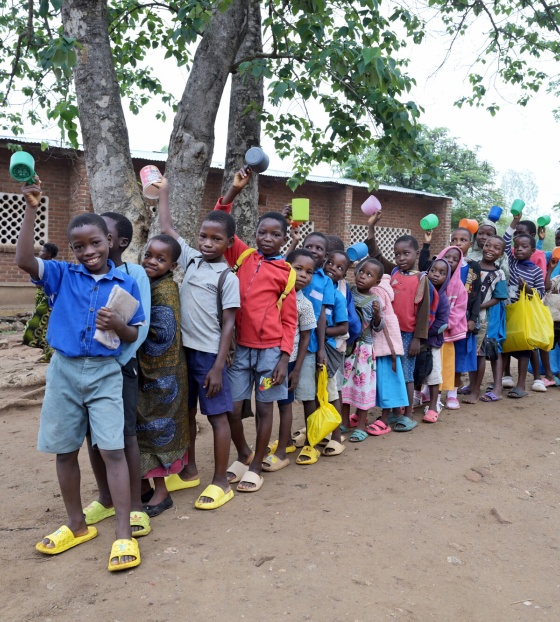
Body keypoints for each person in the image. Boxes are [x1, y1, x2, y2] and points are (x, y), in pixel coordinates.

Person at [16, 178, 145, 572]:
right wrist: (33, 208)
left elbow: (133, 333)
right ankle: (77, 524)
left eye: (95, 243)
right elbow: (23, 260)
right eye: (79, 246)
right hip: (65, 371)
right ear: (72, 248)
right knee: (65, 449)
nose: (88, 251)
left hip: (106, 372)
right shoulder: (62, 275)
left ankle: (123, 532)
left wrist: (118, 324)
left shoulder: (126, 283)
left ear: (110, 241)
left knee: (112, 450)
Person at [156, 177, 240, 510]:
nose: (207, 243)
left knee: (218, 417)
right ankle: (189, 470)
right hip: (183, 353)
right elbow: (167, 227)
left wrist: (218, 366)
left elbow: (230, 323)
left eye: (215, 238)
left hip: (209, 357)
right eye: (203, 236)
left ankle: (221, 481)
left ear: (228, 242)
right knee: (187, 412)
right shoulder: (190, 258)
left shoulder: (227, 277)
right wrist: (164, 190)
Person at [215, 170, 298, 493]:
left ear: (284, 239)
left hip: (270, 354)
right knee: (233, 408)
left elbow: (290, 320)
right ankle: (244, 452)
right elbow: (220, 220)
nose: (266, 238)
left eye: (274, 234)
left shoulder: (287, 272)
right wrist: (234, 191)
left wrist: (284, 359)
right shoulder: (243, 255)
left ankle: (256, 464)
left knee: (265, 407)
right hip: (240, 350)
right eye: (262, 232)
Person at [83, 212, 152, 538]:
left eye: (104, 235)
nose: (98, 239)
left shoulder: (134, 273)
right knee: (94, 438)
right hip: (85, 370)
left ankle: (136, 503)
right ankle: (106, 497)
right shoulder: (82, 273)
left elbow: (140, 326)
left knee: (125, 437)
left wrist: (115, 361)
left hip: (120, 367)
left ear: (120, 242)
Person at [137, 234, 189, 516]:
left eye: (160, 259)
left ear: (172, 265)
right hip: (147, 372)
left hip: (163, 376)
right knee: (141, 429)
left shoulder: (166, 289)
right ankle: (144, 486)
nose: (152, 262)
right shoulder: (148, 283)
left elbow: (163, 332)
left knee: (158, 430)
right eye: (149, 255)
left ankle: (162, 492)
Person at [366, 213, 431, 431]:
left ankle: (408, 414)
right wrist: (371, 228)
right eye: (397, 254)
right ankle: (394, 412)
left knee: (406, 374)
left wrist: (417, 340)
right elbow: (375, 254)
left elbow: (423, 313)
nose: (401, 257)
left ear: (416, 254)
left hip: (407, 335)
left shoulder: (422, 279)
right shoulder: (392, 272)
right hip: (388, 333)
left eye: (406, 253)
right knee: (391, 372)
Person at [265, 249, 316, 470]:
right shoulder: (271, 295)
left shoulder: (304, 304)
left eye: (309, 272)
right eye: (298, 269)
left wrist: (297, 370)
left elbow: (306, 337)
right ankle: (278, 442)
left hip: (290, 361)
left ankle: (281, 452)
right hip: (265, 358)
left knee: (285, 405)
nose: (304, 275)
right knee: (265, 404)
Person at [294, 231, 336, 464]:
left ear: (325, 255)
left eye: (319, 248)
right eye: (309, 245)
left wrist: (321, 348)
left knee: (309, 396)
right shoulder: (292, 271)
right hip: (285, 344)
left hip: (309, 347)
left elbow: (322, 316)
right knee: (283, 398)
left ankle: (311, 443)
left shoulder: (325, 281)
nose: (313, 250)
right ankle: (285, 441)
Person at [341, 257, 384, 441]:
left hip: (364, 350)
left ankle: (361, 424)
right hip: (347, 347)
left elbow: (378, 328)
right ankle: (343, 421)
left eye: (369, 275)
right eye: (361, 271)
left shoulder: (374, 300)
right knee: (344, 385)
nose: (362, 276)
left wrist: (376, 315)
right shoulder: (349, 289)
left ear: (377, 281)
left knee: (363, 386)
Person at [503, 213, 545, 398]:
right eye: (517, 246)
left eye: (524, 247)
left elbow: (541, 293)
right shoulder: (511, 263)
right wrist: (514, 221)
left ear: (532, 250)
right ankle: (503, 378)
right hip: (509, 311)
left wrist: (527, 289)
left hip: (525, 314)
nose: (519, 249)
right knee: (505, 343)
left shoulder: (535, 270)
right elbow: (505, 242)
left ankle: (521, 385)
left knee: (524, 347)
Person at [466, 235, 508, 403]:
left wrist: (478, 308)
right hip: (466, 317)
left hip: (483, 320)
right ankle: (471, 384)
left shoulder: (499, 274)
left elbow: (498, 297)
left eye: (496, 248)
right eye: (488, 245)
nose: (491, 249)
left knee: (480, 354)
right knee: (470, 352)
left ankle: (476, 391)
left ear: (501, 254)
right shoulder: (472, 267)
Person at [369, 271, 409, 432]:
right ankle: (396, 412)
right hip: (388, 342)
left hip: (384, 344)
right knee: (386, 380)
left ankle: (385, 419)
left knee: (385, 382)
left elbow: (376, 313)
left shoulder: (376, 291)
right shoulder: (386, 286)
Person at [321, 250, 349, 454]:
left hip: (330, 350)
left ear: (344, 275)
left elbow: (343, 328)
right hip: (313, 348)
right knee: (317, 392)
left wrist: (321, 332)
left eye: (340, 268)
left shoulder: (338, 297)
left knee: (332, 392)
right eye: (330, 263)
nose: (333, 268)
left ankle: (337, 436)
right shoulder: (314, 288)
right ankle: (321, 430)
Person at [417, 259, 451, 422]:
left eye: (442, 273)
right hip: (415, 340)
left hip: (432, 342)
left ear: (447, 277)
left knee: (433, 373)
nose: (436, 274)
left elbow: (442, 324)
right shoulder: (419, 291)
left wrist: (422, 333)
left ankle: (433, 405)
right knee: (415, 371)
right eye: (434, 270)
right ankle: (415, 398)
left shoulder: (443, 299)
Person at [22, 242, 58, 362]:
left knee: (44, 327)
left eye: (42, 251)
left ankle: (50, 354)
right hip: (42, 299)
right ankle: (47, 353)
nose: (40, 253)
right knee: (42, 328)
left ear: (48, 254)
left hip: (48, 300)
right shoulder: (43, 264)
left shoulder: (51, 265)